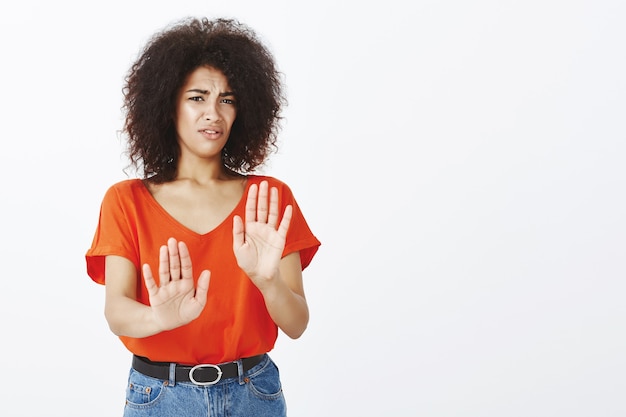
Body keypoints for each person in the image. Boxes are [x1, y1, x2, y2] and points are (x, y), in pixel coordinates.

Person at [85, 17, 320, 417]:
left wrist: (268, 283)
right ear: (166, 103)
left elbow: (297, 324)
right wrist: (159, 317)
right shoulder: (126, 201)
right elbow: (116, 312)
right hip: (160, 397)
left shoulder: (269, 198)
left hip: (254, 394)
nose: (213, 113)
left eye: (227, 99)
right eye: (197, 97)